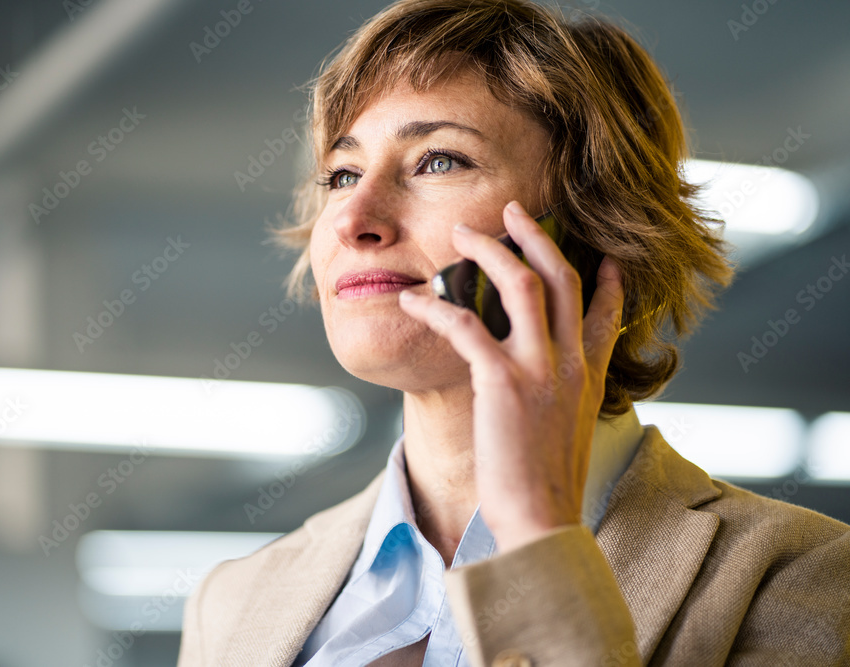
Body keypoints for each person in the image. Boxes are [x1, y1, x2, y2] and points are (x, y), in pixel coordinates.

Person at [177, 1, 850, 665]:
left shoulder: (806, 577)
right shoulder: (232, 601)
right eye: (342, 173)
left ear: (588, 231)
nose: (354, 218)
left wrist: (537, 534)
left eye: (438, 160)